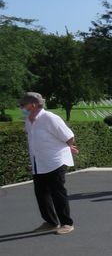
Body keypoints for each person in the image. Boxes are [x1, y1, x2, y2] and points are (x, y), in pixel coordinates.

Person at [19, 92, 78, 234]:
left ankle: (66, 223)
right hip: (38, 162)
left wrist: (69, 147)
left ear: (33, 105)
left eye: (23, 105)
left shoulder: (50, 118)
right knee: (41, 194)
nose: (21, 107)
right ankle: (51, 222)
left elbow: (69, 136)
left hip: (55, 160)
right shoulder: (28, 120)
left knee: (57, 192)